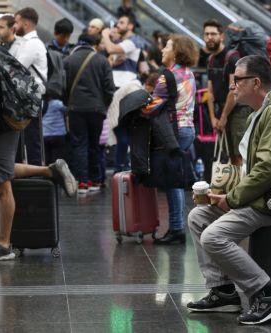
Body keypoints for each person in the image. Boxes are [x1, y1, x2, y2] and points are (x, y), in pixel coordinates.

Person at [187, 55, 271, 324]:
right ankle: (223, 290)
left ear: (255, 83)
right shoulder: (263, 111)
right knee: (198, 217)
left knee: (214, 237)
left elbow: (268, 168)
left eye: (237, 80)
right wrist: (227, 196)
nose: (233, 86)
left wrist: (232, 199)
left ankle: (268, 294)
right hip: (262, 197)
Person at [0, 16, 77, 261]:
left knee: (1, 187)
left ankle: (3, 244)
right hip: (14, 122)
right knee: (6, 170)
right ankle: (51, 170)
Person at [144, 35, 198, 245]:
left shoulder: (167, 77)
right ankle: (177, 227)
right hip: (187, 129)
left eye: (167, 46)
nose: (163, 49)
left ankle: (177, 228)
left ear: (176, 52)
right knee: (175, 178)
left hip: (173, 132)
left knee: (172, 181)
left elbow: (151, 107)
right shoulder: (189, 73)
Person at [64, 33, 116, 193]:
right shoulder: (102, 60)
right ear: (95, 44)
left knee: (79, 144)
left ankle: (82, 182)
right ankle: (94, 181)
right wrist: (103, 104)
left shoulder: (68, 60)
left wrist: (69, 103)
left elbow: (62, 86)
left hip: (75, 109)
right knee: (95, 145)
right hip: (97, 109)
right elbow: (109, 88)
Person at [204, 19, 251, 166]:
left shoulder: (232, 58)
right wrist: (213, 118)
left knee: (239, 156)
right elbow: (210, 91)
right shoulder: (211, 59)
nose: (209, 37)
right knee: (229, 156)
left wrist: (223, 117)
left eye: (213, 34)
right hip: (221, 110)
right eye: (206, 34)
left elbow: (234, 90)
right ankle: (233, 186)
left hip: (237, 110)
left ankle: (242, 187)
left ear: (222, 36)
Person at [101, 15, 142, 173]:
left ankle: (123, 167)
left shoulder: (133, 41)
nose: (118, 25)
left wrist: (106, 35)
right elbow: (110, 57)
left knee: (123, 129)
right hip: (117, 90)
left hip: (126, 91)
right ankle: (121, 167)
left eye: (122, 22)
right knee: (120, 131)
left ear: (130, 26)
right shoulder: (122, 42)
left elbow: (110, 50)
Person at [14, 7, 48, 166]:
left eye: (16, 22)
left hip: (30, 98)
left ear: (25, 24)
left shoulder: (32, 44)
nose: (14, 26)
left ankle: (37, 181)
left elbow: (14, 68)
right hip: (26, 98)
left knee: (32, 140)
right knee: (25, 141)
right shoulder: (25, 43)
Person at [43, 18, 75, 165]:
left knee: (67, 135)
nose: (66, 40)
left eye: (68, 36)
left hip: (68, 96)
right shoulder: (45, 50)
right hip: (51, 97)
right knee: (51, 132)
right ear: (56, 33)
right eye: (64, 36)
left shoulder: (71, 51)